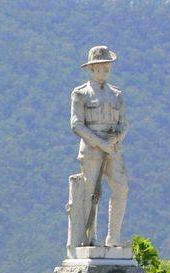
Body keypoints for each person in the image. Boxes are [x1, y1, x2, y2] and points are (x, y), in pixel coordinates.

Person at [69, 45, 128, 252]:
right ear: (91, 69)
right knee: (90, 192)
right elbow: (77, 124)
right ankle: (90, 237)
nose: (105, 72)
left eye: (107, 68)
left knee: (121, 187)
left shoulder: (117, 94)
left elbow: (124, 122)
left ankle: (114, 237)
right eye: (101, 68)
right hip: (92, 148)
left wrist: (117, 138)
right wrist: (99, 142)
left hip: (113, 149)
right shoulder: (81, 94)